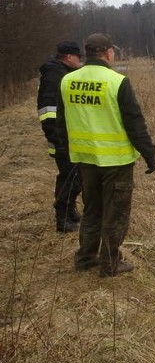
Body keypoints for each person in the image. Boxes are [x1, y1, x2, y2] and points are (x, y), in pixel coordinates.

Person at [56, 33, 155, 277]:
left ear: (87, 52)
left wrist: (63, 152)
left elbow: (61, 122)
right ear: (108, 52)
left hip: (85, 158)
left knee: (92, 209)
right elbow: (135, 123)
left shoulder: (68, 81)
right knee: (116, 214)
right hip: (116, 161)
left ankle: (85, 258)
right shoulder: (117, 81)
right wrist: (149, 154)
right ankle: (110, 263)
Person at [37, 41, 84, 232]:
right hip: (62, 138)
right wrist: (56, 138)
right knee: (71, 176)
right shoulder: (54, 75)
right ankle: (62, 218)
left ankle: (69, 211)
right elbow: (47, 110)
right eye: (79, 57)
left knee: (73, 175)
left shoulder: (62, 73)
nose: (81, 61)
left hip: (69, 137)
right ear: (69, 57)